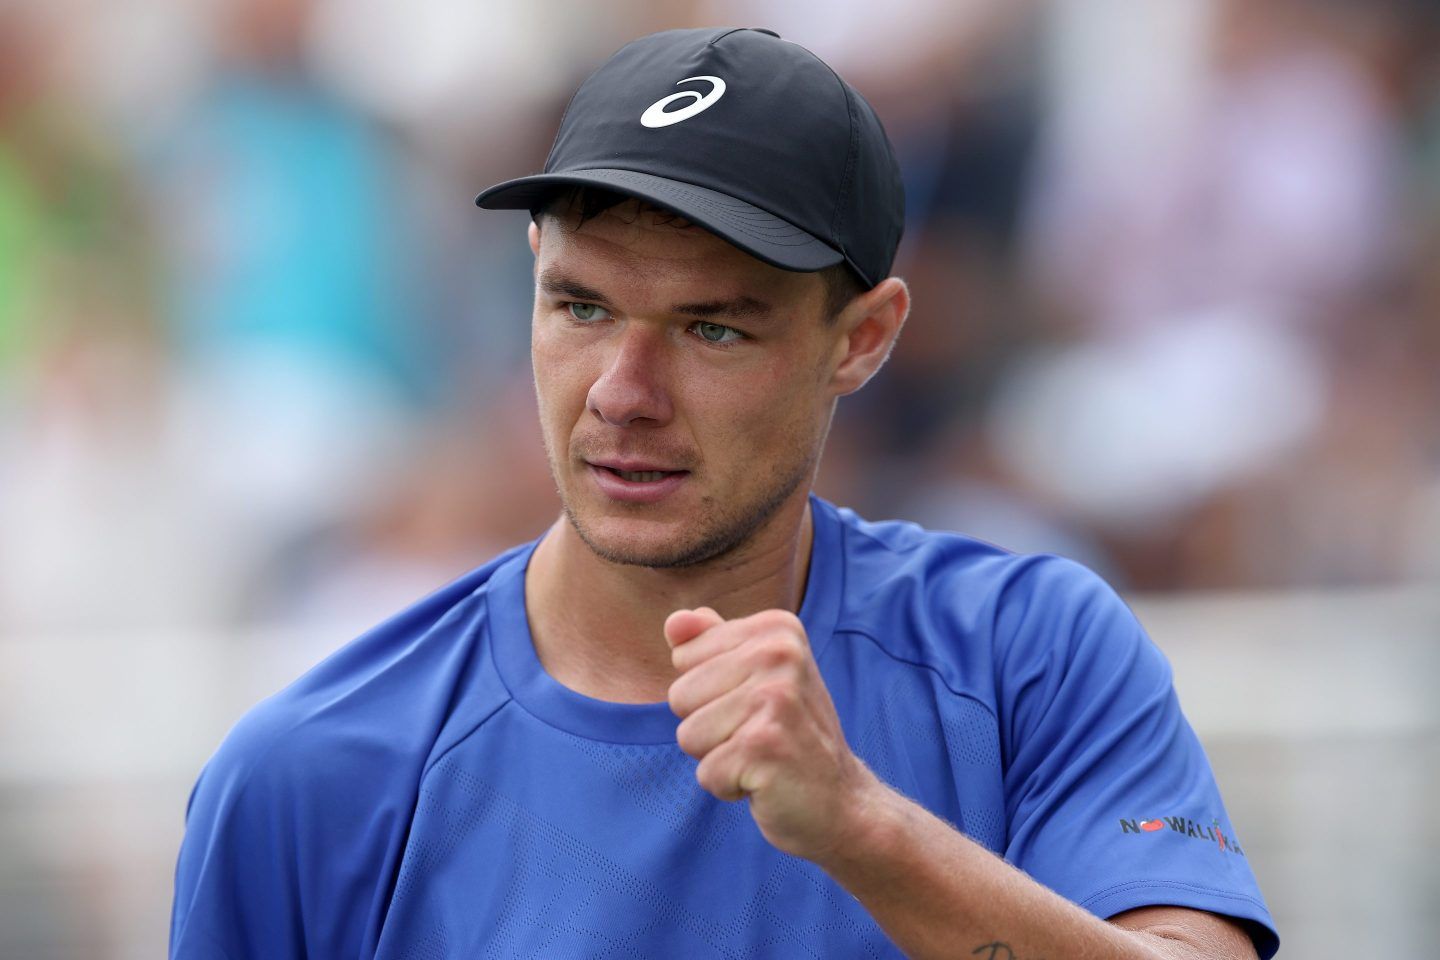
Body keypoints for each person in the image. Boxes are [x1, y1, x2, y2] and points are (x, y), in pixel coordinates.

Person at [169, 27, 1279, 960]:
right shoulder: (306, 776)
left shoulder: (1030, 653)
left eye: (712, 327)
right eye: (582, 308)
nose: (623, 392)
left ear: (864, 340)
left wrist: (862, 829)